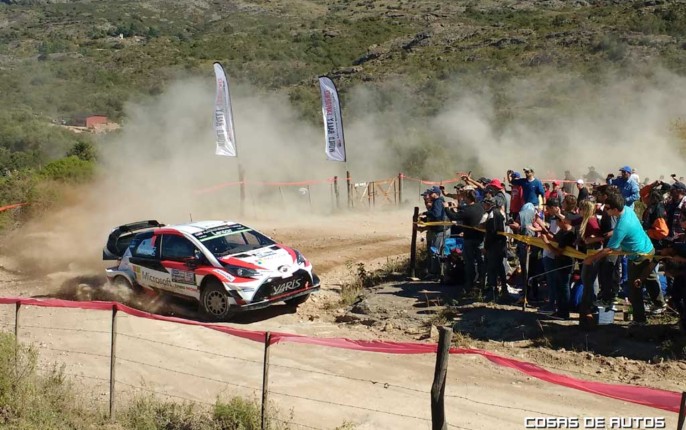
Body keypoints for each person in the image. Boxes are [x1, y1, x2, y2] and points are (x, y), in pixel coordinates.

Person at [583, 192, 664, 325]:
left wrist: (592, 259)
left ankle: (639, 320)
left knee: (634, 288)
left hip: (638, 256)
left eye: (607, 208)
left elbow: (609, 249)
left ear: (615, 209)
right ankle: (660, 305)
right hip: (648, 249)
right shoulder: (626, 210)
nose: (605, 209)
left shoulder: (622, 226)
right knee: (650, 278)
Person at [444, 189, 484, 293]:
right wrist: (457, 207)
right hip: (480, 238)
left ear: (467, 198)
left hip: (469, 239)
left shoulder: (467, 210)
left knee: (469, 263)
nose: (463, 199)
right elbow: (467, 209)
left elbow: (453, 216)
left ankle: (469, 285)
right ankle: (482, 283)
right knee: (480, 262)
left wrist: (446, 208)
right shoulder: (480, 206)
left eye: (464, 197)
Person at [482, 196, 509, 301]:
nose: (484, 206)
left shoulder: (493, 214)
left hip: (494, 246)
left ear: (489, 204)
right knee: (499, 267)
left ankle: (493, 292)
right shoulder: (498, 213)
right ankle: (503, 290)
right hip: (499, 245)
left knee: (492, 269)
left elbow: (491, 233)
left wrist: (486, 246)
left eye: (485, 204)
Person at [424, 186, 448, 279]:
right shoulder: (438, 201)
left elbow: (437, 215)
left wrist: (427, 213)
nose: (430, 194)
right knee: (438, 251)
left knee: (435, 251)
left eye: (431, 193)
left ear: (436, 194)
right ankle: (438, 272)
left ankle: (435, 273)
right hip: (440, 229)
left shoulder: (437, 201)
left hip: (439, 230)